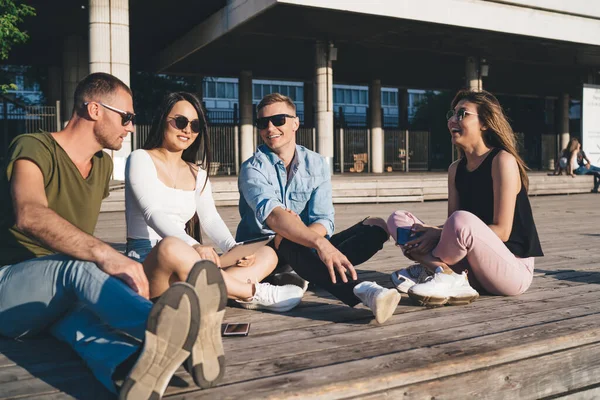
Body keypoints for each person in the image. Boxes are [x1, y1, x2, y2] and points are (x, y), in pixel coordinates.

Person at [0, 73, 227, 399]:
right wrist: (106, 253)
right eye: (126, 117)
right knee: (80, 266)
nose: (131, 127)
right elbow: (30, 215)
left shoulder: (102, 166)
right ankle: (181, 336)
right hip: (11, 290)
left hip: (57, 304)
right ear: (94, 109)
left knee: (89, 332)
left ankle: (130, 374)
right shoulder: (33, 146)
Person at [125, 91, 304, 312]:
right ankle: (252, 292)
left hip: (188, 259)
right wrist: (195, 246)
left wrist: (234, 249)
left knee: (266, 254)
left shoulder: (197, 172)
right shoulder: (140, 158)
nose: (187, 130)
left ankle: (209, 290)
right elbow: (152, 213)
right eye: (180, 122)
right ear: (163, 120)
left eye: (194, 125)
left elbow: (209, 218)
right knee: (171, 247)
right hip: (148, 263)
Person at [236, 93, 401, 324]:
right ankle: (363, 291)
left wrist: (311, 240)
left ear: (295, 122)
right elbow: (274, 218)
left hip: (306, 245)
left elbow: (323, 219)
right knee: (286, 235)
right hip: (264, 250)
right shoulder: (252, 169)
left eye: (278, 120)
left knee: (376, 226)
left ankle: (307, 270)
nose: (270, 127)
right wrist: (318, 243)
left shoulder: (315, 163)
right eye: (263, 123)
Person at [387, 89, 544, 307]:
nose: (452, 119)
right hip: (470, 267)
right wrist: (432, 232)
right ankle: (446, 273)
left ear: (485, 123)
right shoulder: (455, 169)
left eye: (462, 114)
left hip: (511, 270)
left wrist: (438, 233)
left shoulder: (502, 160)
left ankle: (432, 270)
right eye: (452, 114)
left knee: (461, 220)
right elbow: (453, 230)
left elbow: (502, 230)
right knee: (398, 219)